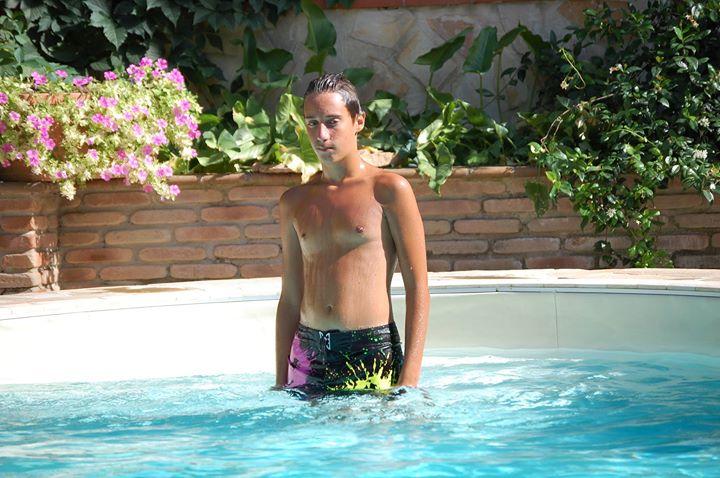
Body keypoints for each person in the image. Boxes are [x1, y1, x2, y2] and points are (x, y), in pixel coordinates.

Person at [274, 72, 429, 397]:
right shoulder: (294, 202)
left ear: (358, 121)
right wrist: (280, 379)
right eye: (312, 123)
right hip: (307, 354)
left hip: (368, 351)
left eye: (332, 122)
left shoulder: (388, 190)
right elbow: (290, 298)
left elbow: (417, 289)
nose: (321, 134)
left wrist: (409, 380)